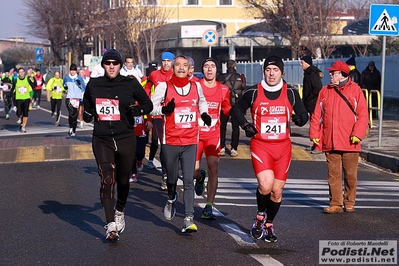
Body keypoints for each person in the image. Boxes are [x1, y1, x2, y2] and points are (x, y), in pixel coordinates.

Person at [230, 55, 308, 242]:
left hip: (283, 148)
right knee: (265, 186)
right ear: (264, 71)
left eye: (275, 70)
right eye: (268, 70)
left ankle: (269, 223)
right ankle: (259, 218)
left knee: (277, 191)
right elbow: (236, 110)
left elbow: (304, 113)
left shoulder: (290, 91)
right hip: (261, 145)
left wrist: (300, 119)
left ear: (281, 72)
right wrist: (246, 126)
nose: (271, 74)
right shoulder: (253, 92)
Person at [83, 48, 153, 241]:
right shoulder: (94, 84)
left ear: (120, 65)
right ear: (103, 65)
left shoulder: (130, 83)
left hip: (125, 137)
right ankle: (110, 225)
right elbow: (87, 106)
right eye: (108, 63)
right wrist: (85, 114)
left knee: (123, 181)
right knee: (107, 178)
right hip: (102, 138)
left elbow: (148, 104)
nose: (111, 66)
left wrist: (137, 110)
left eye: (115, 63)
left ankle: (120, 209)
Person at [150, 55, 211, 233]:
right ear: (173, 68)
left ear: (189, 68)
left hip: (191, 140)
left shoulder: (196, 86)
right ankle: (171, 197)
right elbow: (151, 107)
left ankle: (188, 218)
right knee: (172, 178)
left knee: (188, 179)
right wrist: (164, 110)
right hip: (171, 141)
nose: (182, 68)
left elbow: (202, 102)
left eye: (185, 65)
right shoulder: (164, 87)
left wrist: (205, 114)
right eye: (178, 65)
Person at [310, 60, 368, 214]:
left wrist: (357, 134)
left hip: (350, 141)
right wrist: (314, 134)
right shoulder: (325, 91)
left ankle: (349, 201)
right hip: (330, 140)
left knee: (350, 175)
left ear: (342, 74)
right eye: (330, 72)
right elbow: (317, 115)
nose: (330, 74)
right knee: (333, 175)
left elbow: (363, 115)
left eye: (333, 72)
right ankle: (335, 203)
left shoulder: (355, 90)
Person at [193, 57, 231, 220]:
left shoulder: (223, 90)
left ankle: (209, 206)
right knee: (193, 173)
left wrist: (235, 111)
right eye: (206, 66)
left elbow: (228, 108)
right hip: (195, 134)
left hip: (213, 135)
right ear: (202, 70)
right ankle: (200, 177)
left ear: (217, 70)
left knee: (213, 168)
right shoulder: (195, 87)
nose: (209, 69)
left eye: (212, 66)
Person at [145, 51, 175, 190]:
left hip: (173, 116)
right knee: (162, 144)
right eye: (164, 61)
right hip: (158, 115)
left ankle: (173, 171)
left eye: (169, 61)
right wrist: (149, 115)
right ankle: (165, 175)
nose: (166, 63)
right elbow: (147, 91)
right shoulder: (154, 75)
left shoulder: (177, 75)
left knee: (174, 146)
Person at [216, 60, 246, 157]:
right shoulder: (241, 77)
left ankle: (222, 147)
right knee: (235, 127)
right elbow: (243, 88)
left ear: (226, 66)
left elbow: (216, 88)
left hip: (224, 104)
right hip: (236, 106)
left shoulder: (221, 77)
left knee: (222, 127)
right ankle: (234, 148)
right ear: (235, 67)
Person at [300, 55, 323, 153]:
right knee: (314, 124)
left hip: (314, 103)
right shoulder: (308, 73)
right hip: (310, 103)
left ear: (307, 63)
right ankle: (315, 144)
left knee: (316, 123)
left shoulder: (312, 74)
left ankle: (319, 145)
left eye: (302, 62)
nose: (301, 65)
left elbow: (317, 88)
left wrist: (309, 98)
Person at [64, 63, 86, 136]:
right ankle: (70, 127)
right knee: (71, 113)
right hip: (69, 98)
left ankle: (74, 130)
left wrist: (80, 85)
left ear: (76, 71)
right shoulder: (67, 78)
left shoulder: (79, 78)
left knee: (75, 114)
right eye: (71, 70)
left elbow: (84, 88)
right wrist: (65, 88)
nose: (73, 72)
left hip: (77, 98)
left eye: (74, 70)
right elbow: (64, 86)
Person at [12, 67, 35, 133]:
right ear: (18, 73)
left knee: (25, 113)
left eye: (22, 72)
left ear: (24, 73)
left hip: (26, 98)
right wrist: (12, 96)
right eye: (20, 72)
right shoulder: (16, 80)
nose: (21, 73)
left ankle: (23, 127)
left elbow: (33, 85)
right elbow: (12, 89)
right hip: (18, 98)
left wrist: (31, 96)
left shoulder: (27, 79)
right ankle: (19, 117)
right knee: (19, 112)